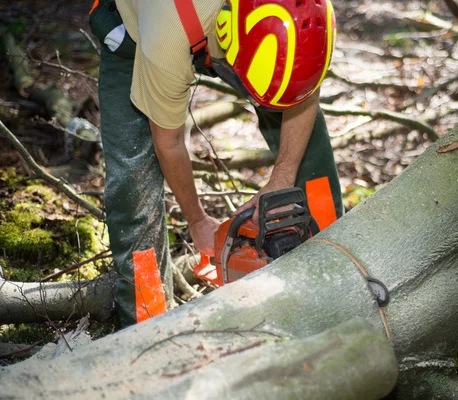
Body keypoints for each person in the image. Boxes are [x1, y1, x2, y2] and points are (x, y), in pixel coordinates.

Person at [89, 0, 343, 327]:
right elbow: (168, 141)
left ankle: (334, 268)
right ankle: (147, 326)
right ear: (227, 35)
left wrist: (283, 176)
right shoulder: (165, 36)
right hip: (136, 31)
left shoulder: (302, 15)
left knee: (298, 113)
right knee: (132, 180)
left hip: (219, 26)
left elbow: (303, 85)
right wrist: (197, 221)